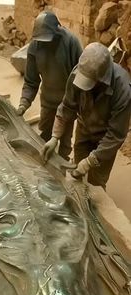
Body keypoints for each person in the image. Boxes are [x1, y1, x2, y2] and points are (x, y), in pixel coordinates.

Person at [42, 42, 131, 189]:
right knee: (76, 172)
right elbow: (67, 107)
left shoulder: (123, 89)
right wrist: (55, 136)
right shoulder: (80, 73)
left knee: (96, 182)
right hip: (84, 128)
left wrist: (91, 161)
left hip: (106, 138)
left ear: (102, 78)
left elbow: (116, 135)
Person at [17, 10, 82, 160]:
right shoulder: (35, 46)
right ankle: (45, 171)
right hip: (48, 101)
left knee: (64, 143)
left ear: (57, 30)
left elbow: (80, 78)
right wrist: (23, 104)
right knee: (44, 138)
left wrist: (75, 104)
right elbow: (31, 81)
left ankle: (62, 171)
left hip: (67, 102)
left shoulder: (71, 42)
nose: (44, 43)